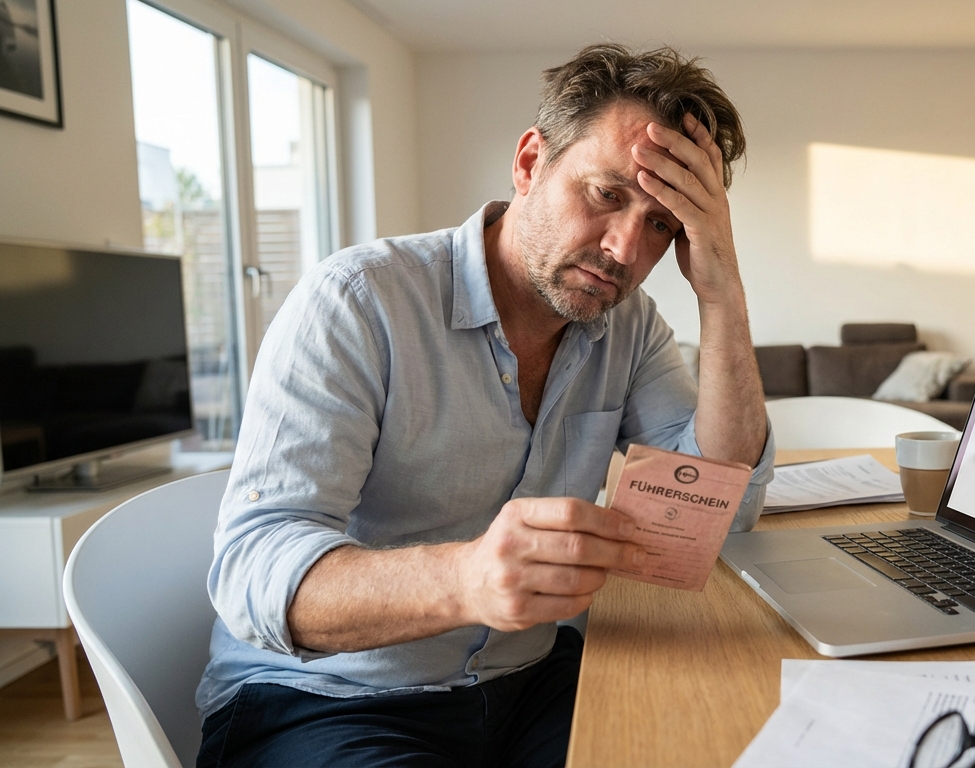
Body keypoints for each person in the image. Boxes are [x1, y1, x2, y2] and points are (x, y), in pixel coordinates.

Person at [194, 43, 773, 767]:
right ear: (531, 163)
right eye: (607, 195)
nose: (626, 249)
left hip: (528, 683)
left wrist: (723, 294)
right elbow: (253, 571)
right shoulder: (359, 302)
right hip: (328, 700)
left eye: (664, 224)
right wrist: (463, 579)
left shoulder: (629, 326)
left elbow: (718, 506)